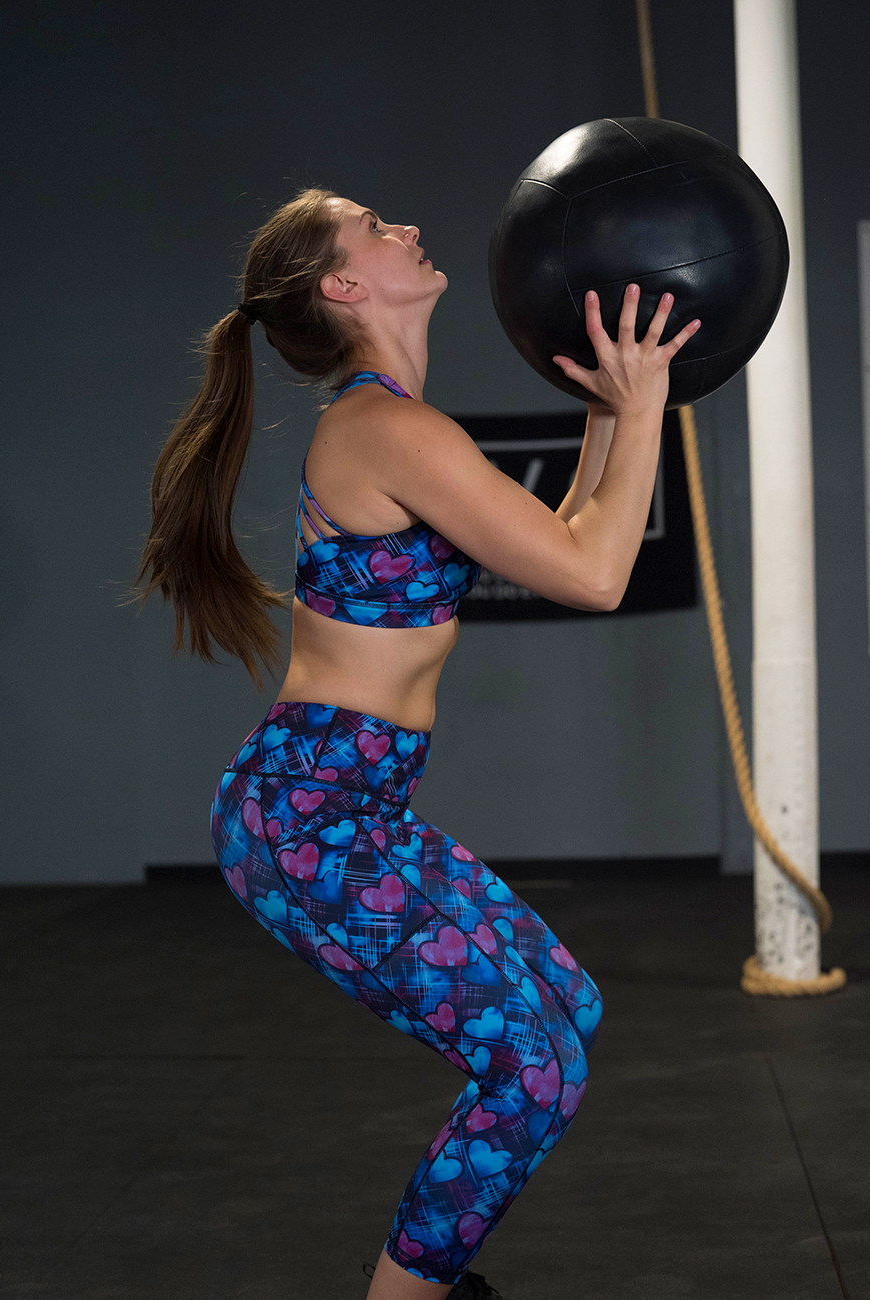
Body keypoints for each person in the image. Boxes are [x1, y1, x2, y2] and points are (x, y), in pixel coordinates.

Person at [136, 187, 700, 1300]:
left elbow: (573, 535)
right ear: (341, 286)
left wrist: (602, 407)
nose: (405, 228)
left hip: (353, 811)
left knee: (562, 1012)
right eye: (372, 227)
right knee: (530, 1071)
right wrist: (644, 409)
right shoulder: (383, 428)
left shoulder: (393, 421)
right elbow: (597, 577)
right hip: (307, 821)